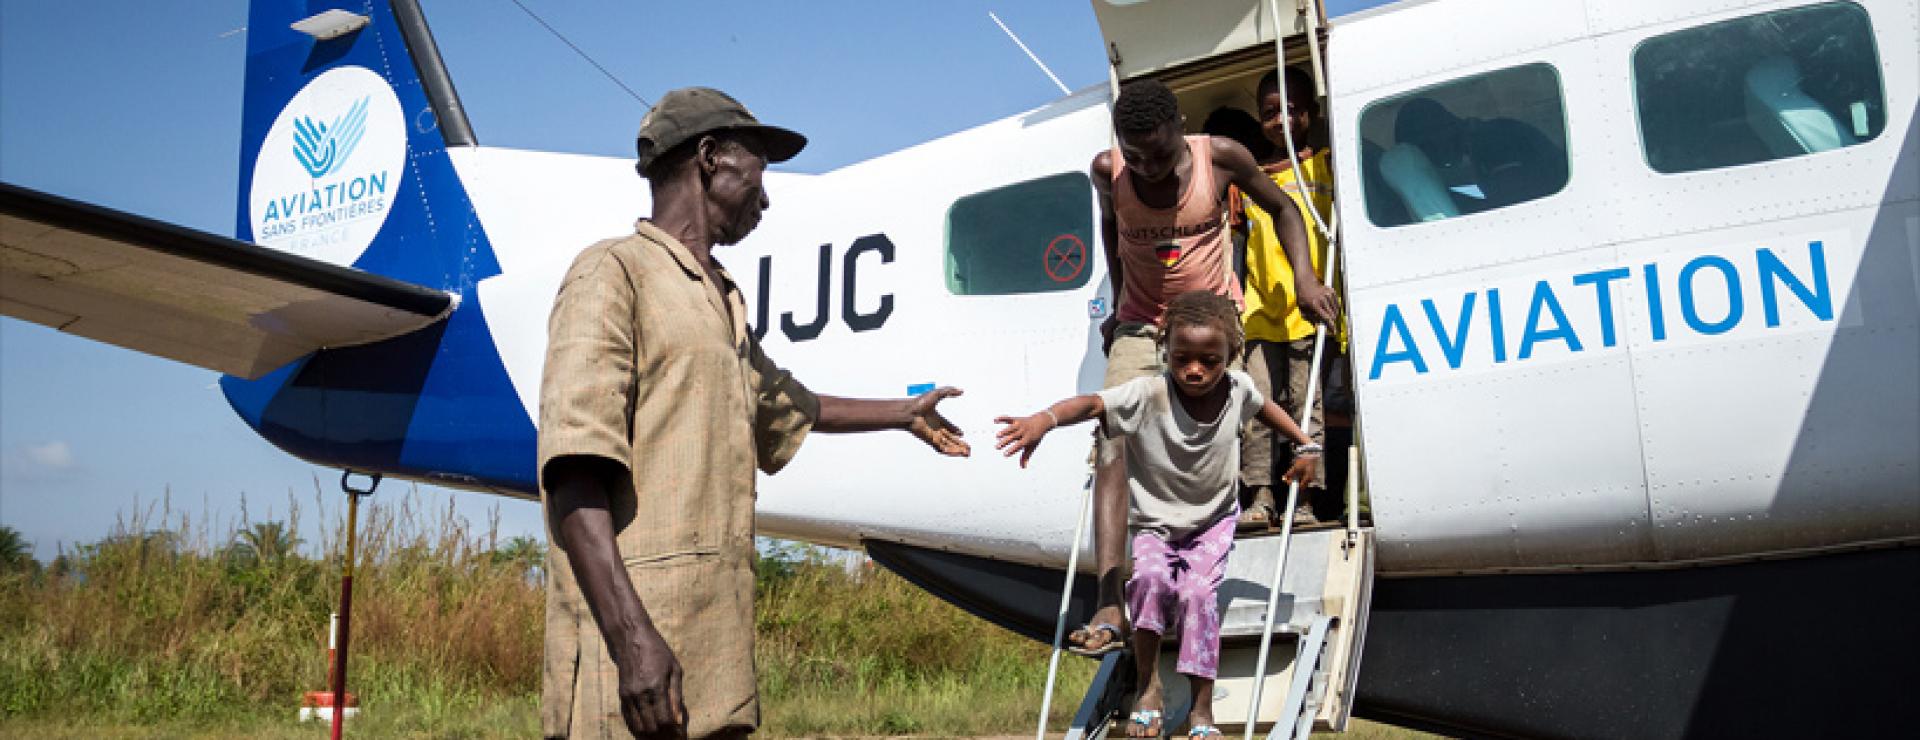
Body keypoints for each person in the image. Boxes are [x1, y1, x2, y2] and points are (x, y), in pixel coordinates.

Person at [537, 87, 970, 740]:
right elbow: (573, 472)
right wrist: (632, 641)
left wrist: (904, 412)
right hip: (632, 661)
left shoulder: (721, 299)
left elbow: (790, 404)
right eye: (759, 174)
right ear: (710, 158)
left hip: (711, 650)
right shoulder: (611, 273)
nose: (765, 199)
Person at [1071, 78, 1337, 658]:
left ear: (1180, 132)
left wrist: (1306, 279)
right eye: (1134, 154)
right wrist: (1118, 304)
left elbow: (1283, 207)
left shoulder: (1221, 156)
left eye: (1160, 153)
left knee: (1207, 435)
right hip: (1143, 322)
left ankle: (1199, 561)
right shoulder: (1106, 170)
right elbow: (1112, 229)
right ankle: (1112, 597)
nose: (1147, 167)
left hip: (1212, 322)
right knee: (1113, 438)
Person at [995, 290, 1322, 739]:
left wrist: (1306, 445)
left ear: (1232, 354)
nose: (1195, 370)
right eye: (1183, 357)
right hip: (1154, 524)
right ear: (1164, 348)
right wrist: (1044, 421)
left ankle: (1202, 710)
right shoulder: (1147, 393)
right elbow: (1092, 404)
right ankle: (1148, 688)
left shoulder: (1239, 388)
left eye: (1210, 360)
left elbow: (1266, 409)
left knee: (1196, 598)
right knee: (1148, 584)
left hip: (1211, 523)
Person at [1238, 67, 1341, 530]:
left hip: (1308, 310)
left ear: (1312, 114)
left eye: (1294, 110)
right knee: (1258, 405)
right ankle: (1261, 496)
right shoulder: (1248, 180)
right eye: (1271, 112)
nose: (1282, 120)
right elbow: (1239, 249)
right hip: (1260, 312)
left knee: (1306, 405)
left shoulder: (1324, 165)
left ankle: (1304, 499)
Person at [1391, 96, 1566, 213]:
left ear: (1437, 134)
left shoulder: (1495, 140)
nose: (1433, 160)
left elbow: (1513, 200)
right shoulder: (1483, 138)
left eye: (1426, 149)